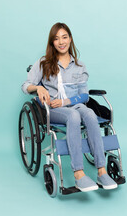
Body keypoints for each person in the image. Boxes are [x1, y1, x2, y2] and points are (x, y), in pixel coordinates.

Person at [21, 22, 117, 192]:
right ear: (52, 42)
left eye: (64, 37)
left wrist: (66, 102)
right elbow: (26, 85)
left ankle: (102, 171)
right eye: (56, 38)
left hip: (73, 105)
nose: (61, 42)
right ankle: (79, 174)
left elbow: (84, 95)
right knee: (74, 117)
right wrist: (38, 87)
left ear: (70, 39)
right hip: (53, 110)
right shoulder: (43, 63)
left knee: (89, 113)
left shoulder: (79, 66)